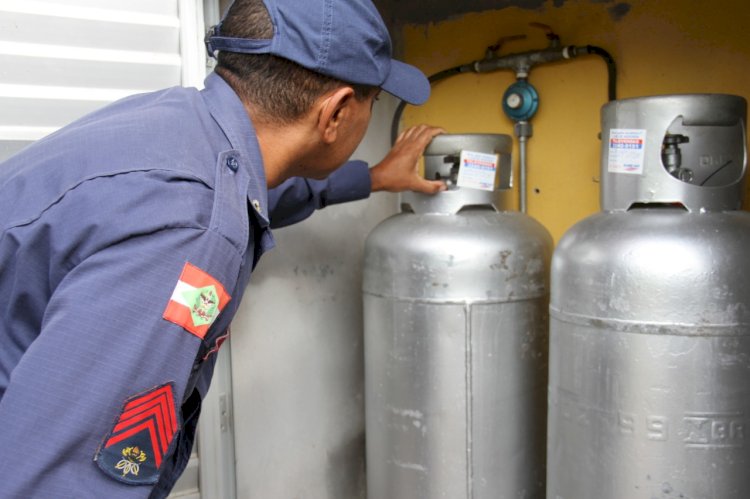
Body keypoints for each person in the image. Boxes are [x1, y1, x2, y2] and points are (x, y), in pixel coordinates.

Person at [0, 0, 444, 496]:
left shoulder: (186, 128)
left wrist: (374, 177)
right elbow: (60, 484)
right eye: (373, 101)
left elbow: (257, 189)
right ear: (336, 112)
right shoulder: (188, 232)